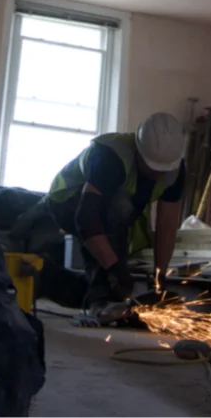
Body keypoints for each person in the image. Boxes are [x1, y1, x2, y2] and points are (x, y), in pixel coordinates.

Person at [29, 112, 186, 318]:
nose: (157, 174)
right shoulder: (110, 157)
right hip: (68, 201)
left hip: (113, 212)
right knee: (110, 266)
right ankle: (103, 300)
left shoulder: (174, 169)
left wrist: (160, 276)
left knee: (106, 279)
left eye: (162, 169)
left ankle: (46, 278)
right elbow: (86, 218)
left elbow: (167, 224)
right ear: (138, 149)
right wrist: (115, 268)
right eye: (151, 166)